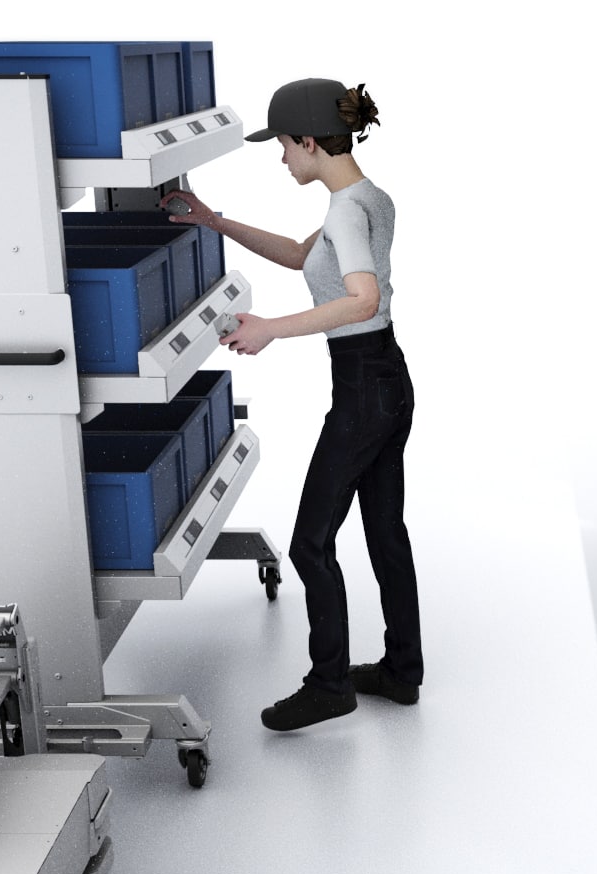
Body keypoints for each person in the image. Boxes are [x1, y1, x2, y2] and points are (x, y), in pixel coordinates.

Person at [164, 79, 423, 732]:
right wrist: (214, 219)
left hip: (364, 388)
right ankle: (401, 668)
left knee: (311, 543)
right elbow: (302, 255)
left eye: (284, 146)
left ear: (309, 141)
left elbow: (361, 298)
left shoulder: (344, 211)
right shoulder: (364, 198)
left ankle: (329, 683)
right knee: (385, 532)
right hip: (387, 380)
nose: (282, 159)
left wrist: (270, 328)